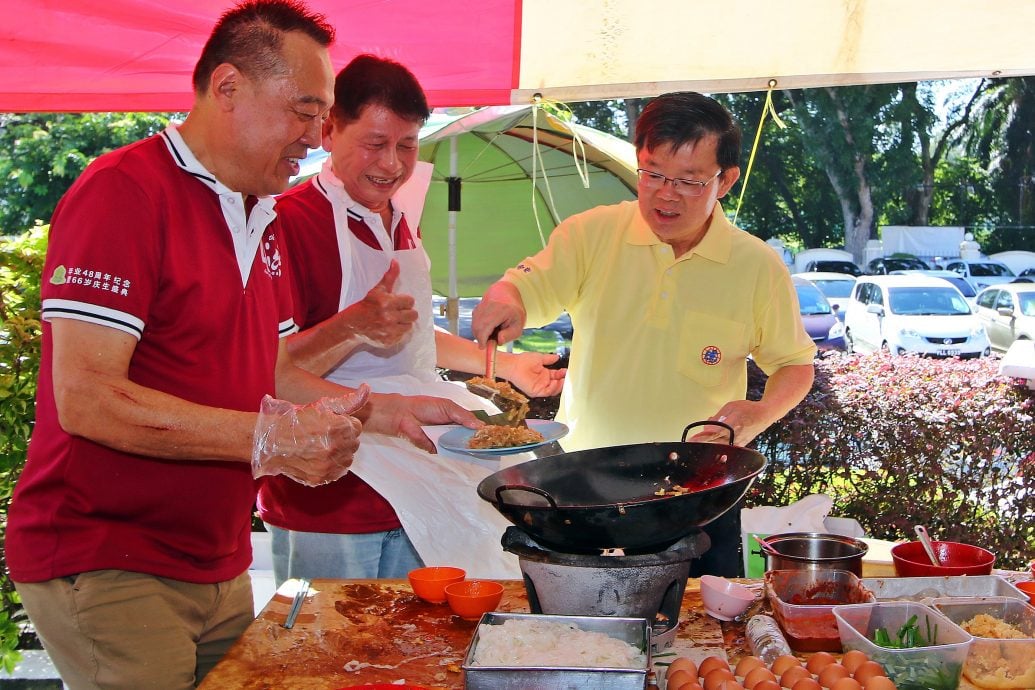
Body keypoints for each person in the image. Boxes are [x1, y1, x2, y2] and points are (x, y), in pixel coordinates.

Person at [5, 4, 476, 688]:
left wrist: (384, 412)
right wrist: (269, 440)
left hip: (216, 557)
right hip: (109, 553)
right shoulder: (124, 193)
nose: (316, 136)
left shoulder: (260, 212)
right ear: (227, 89)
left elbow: (276, 370)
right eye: (304, 111)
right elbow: (86, 399)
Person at [472, 91, 817, 574]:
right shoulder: (591, 234)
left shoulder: (756, 265)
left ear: (726, 181)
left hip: (698, 493)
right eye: (652, 173)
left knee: (702, 632)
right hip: (584, 483)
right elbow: (529, 286)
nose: (665, 193)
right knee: (584, 636)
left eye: (690, 181)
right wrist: (506, 298)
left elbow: (795, 365)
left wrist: (760, 413)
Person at [257, 54, 565, 583]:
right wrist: (352, 325)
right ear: (329, 131)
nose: (393, 164)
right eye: (375, 143)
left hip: (418, 471)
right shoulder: (286, 222)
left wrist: (505, 367)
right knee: (333, 659)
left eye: (407, 144)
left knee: (420, 649)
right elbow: (266, 369)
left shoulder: (399, 221)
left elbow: (412, 338)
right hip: (330, 495)